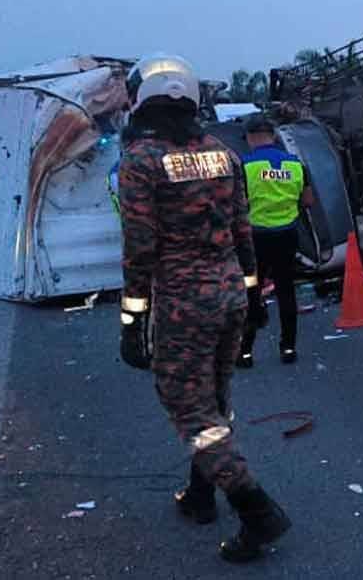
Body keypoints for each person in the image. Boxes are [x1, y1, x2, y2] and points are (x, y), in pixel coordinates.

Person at [117, 53, 290, 562]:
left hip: (184, 301)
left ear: (142, 102)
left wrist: (132, 320)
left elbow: (140, 248)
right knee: (215, 397)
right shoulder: (223, 153)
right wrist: (254, 295)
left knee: (191, 410)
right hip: (230, 291)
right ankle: (199, 496)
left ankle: (257, 511)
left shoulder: (141, 160)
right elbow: (243, 230)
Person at [238, 114, 313, 368]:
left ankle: (245, 353)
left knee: (251, 291)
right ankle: (288, 348)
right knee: (286, 290)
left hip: (255, 239)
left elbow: (238, 205)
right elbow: (308, 201)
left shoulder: (245, 166)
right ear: (274, 135)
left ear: (249, 137)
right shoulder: (295, 165)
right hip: (287, 235)